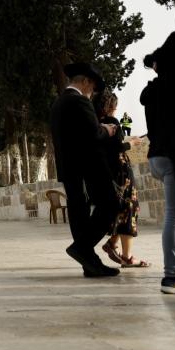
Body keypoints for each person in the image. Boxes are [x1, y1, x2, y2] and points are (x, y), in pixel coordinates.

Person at [50, 62, 121, 278]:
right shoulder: (79, 101)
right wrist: (107, 130)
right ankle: (82, 248)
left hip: (69, 167)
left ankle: (89, 264)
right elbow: (93, 135)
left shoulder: (59, 103)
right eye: (92, 87)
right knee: (110, 204)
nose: (92, 93)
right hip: (87, 167)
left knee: (79, 213)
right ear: (85, 82)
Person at [95, 92, 148, 269]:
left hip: (110, 173)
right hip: (122, 171)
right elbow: (117, 148)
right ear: (111, 105)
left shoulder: (95, 124)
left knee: (122, 209)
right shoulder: (113, 121)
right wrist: (132, 143)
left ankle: (112, 243)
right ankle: (127, 257)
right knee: (129, 208)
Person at [142, 50, 175, 294]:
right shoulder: (172, 88)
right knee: (173, 216)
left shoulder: (151, 91)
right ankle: (172, 276)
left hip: (156, 157)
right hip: (172, 157)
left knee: (173, 214)